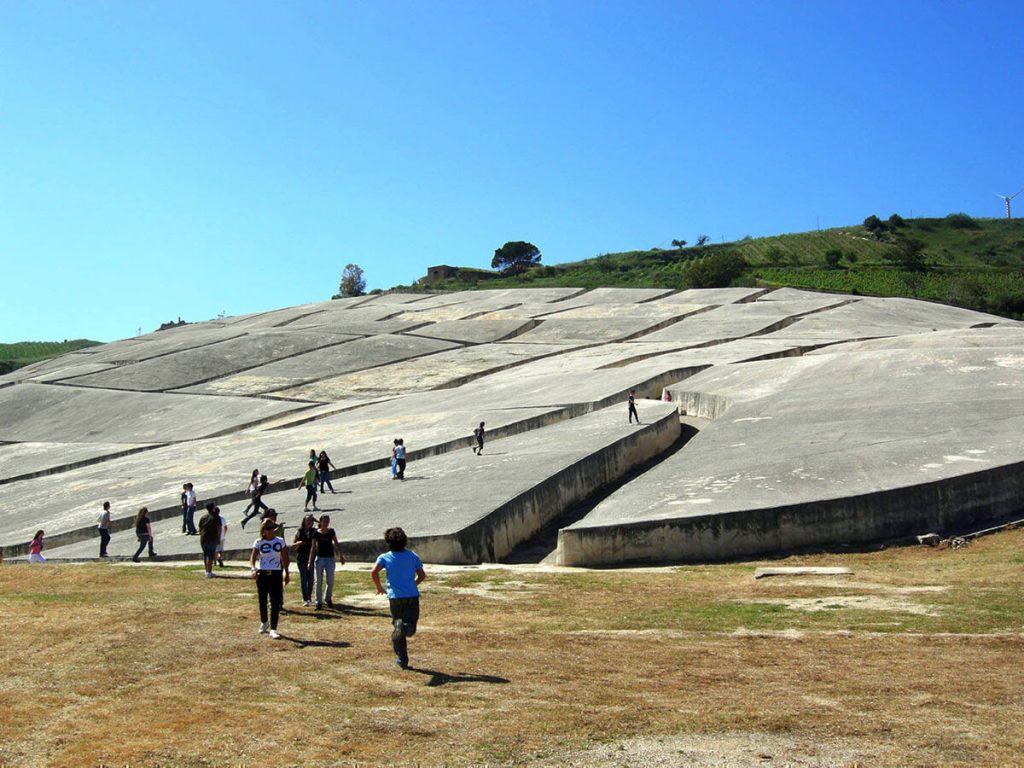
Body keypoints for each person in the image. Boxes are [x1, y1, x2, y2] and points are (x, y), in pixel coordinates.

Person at [370, 527, 426, 670]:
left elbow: (374, 572)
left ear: (388, 542)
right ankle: (405, 627)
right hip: (411, 596)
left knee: (397, 627)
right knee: (410, 628)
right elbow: (422, 575)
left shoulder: (384, 557)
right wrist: (414, 584)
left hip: (394, 597)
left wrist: (379, 587)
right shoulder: (412, 556)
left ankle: (402, 659)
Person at [249, 518, 290, 640]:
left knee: (275, 601)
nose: (271, 530)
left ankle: (273, 628)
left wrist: (287, 573)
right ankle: (264, 621)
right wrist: (253, 569)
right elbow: (252, 557)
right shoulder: (258, 542)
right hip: (262, 573)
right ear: (263, 530)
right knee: (262, 599)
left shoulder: (280, 541)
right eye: (268, 528)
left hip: (276, 573)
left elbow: (285, 559)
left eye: (272, 527)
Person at [309, 514, 344, 610]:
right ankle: (318, 602)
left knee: (330, 580)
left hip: (330, 559)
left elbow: (336, 544)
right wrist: (310, 561)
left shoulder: (331, 532)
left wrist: (340, 555)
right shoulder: (316, 533)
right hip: (319, 559)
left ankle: (328, 598)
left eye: (327, 521)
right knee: (318, 581)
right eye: (323, 521)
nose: (325, 523)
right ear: (320, 522)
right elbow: (313, 548)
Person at [292, 514, 317, 606]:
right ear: (304, 521)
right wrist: (299, 543)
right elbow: (293, 544)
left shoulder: (314, 531)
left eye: (311, 520)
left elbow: (323, 526)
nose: (309, 522)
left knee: (310, 578)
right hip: (301, 556)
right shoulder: (299, 531)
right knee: (304, 577)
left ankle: (309, 596)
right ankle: (305, 598)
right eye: (307, 520)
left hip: (311, 556)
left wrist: (316, 520)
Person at [197, 502, 222, 578]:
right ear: (213, 508)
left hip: (203, 537)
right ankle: (209, 572)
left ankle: (206, 570)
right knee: (210, 555)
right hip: (212, 538)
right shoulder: (216, 517)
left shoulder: (203, 517)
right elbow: (219, 528)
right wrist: (219, 538)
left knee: (205, 554)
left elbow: (200, 527)